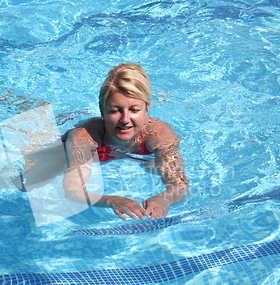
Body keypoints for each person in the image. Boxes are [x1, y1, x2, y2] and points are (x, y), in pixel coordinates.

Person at [63, 63, 188, 220]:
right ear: (102, 109)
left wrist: (164, 199)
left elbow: (180, 186)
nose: (125, 120)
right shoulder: (84, 136)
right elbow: (72, 192)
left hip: (136, 151)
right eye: (115, 111)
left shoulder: (159, 135)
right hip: (68, 149)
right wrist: (111, 200)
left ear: (147, 108)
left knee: (156, 167)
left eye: (134, 110)